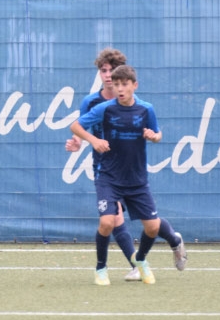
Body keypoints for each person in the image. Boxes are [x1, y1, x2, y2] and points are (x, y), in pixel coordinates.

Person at [70, 65, 185, 286]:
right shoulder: (104, 108)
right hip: (108, 177)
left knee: (152, 227)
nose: (120, 89)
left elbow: (158, 134)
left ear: (135, 85)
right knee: (107, 222)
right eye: (116, 85)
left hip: (136, 179)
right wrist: (94, 140)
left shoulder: (146, 109)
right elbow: (75, 126)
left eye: (124, 84)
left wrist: (154, 136)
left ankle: (139, 260)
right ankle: (101, 268)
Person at [65, 48, 140, 281]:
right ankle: (135, 266)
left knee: (149, 221)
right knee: (114, 217)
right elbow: (81, 128)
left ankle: (171, 241)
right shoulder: (91, 102)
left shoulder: (131, 100)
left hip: (130, 168)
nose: (108, 75)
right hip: (105, 168)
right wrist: (78, 141)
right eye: (103, 70)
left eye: (112, 70)